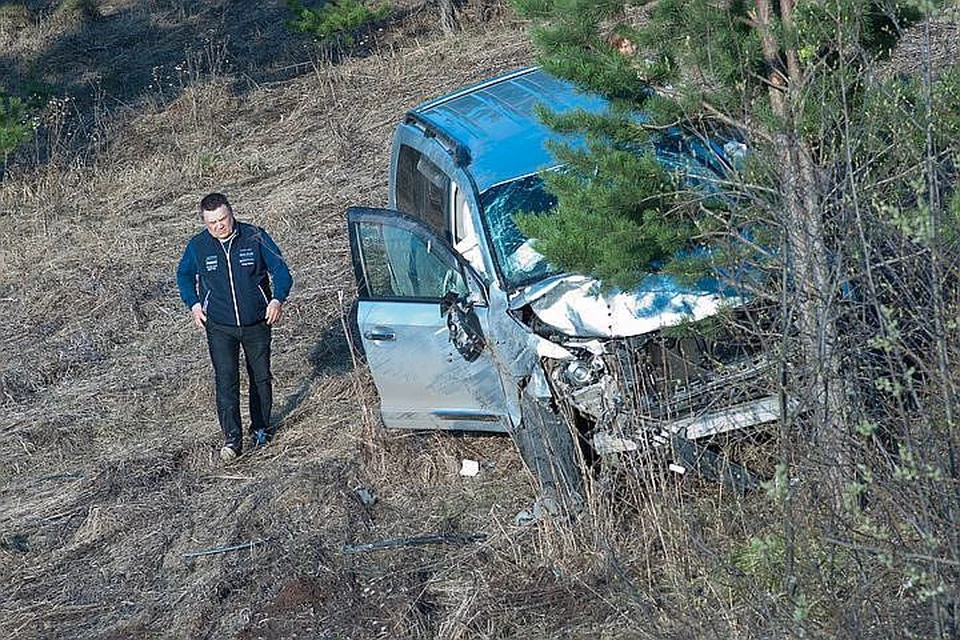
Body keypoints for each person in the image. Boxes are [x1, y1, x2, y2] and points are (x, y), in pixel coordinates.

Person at [176, 192, 293, 462]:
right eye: (212, 222)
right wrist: (193, 304)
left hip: (257, 322)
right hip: (219, 326)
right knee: (226, 380)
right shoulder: (198, 246)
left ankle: (261, 428)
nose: (219, 226)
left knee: (260, 377)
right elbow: (183, 275)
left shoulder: (254, 236)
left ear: (232, 214)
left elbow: (281, 270)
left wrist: (277, 299)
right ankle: (232, 439)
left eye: (223, 219)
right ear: (205, 223)